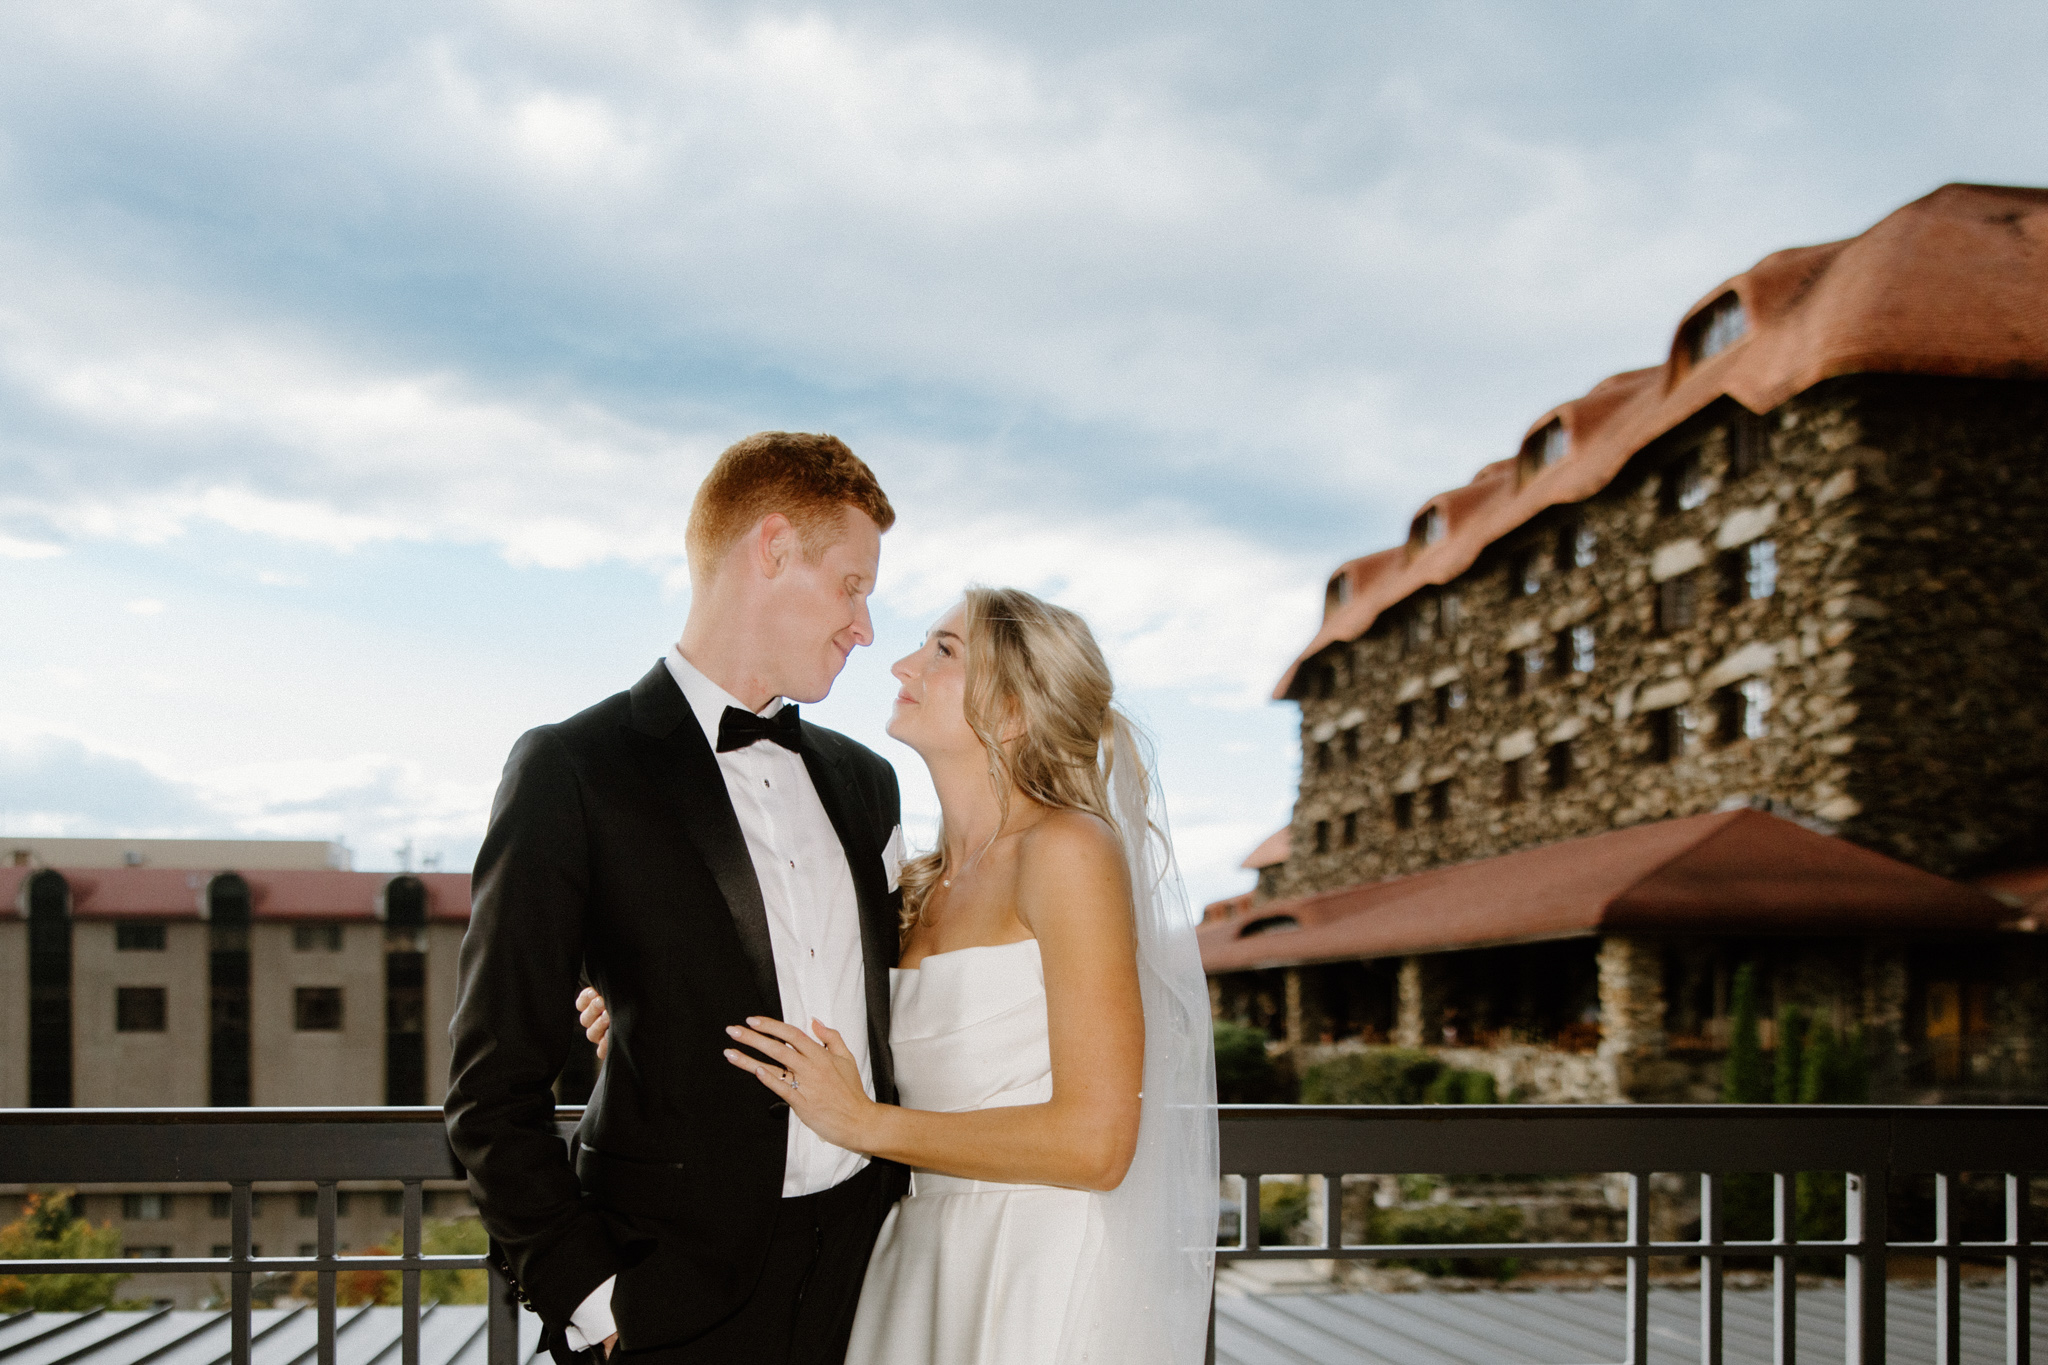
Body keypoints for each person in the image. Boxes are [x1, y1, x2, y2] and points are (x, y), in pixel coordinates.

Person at [582, 587, 1219, 1364]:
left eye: (943, 650)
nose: (901, 661)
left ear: (1013, 710)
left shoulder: (1068, 850)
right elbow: (809, 1017)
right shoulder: (915, 886)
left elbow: (1098, 1141)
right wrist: (656, 1021)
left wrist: (866, 1124)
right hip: (918, 1255)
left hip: (1036, 1262)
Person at [444, 431, 910, 1365]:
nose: (865, 627)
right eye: (853, 585)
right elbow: (490, 1090)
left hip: (870, 1282)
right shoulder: (572, 768)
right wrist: (596, 1299)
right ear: (772, 549)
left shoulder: (869, 783)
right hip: (668, 1300)